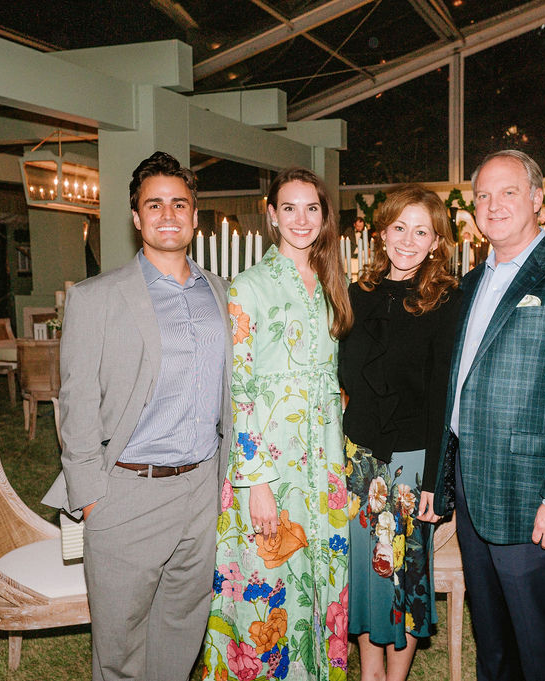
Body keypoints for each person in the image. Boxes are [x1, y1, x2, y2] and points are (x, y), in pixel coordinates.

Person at [432, 150, 545, 681]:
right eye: (483, 197)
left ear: (537, 200)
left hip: (534, 495)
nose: (493, 206)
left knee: (544, 645)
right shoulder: (467, 285)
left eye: (508, 192)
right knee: (493, 641)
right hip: (472, 490)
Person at [53, 151, 232, 681]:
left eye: (180, 203)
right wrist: (88, 497)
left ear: (195, 216)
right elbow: (76, 399)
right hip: (126, 490)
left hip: (202, 488)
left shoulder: (221, 293)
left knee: (182, 628)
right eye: (154, 204)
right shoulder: (96, 298)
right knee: (120, 644)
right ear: (136, 218)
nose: (168, 213)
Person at [203, 167, 354, 681]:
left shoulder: (331, 282)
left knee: (319, 581)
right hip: (271, 462)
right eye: (289, 208)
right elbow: (238, 391)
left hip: (324, 462)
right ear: (271, 215)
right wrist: (257, 483)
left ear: (324, 215)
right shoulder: (247, 288)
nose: (301, 219)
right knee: (265, 589)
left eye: (311, 208)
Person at [338, 184, 461, 681]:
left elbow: (442, 400)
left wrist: (435, 479)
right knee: (367, 576)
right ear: (381, 234)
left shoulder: (445, 301)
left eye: (421, 231)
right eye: (399, 228)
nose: (408, 240)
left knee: (405, 577)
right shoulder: (354, 295)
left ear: (436, 242)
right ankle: (370, 675)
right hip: (357, 459)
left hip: (412, 463)